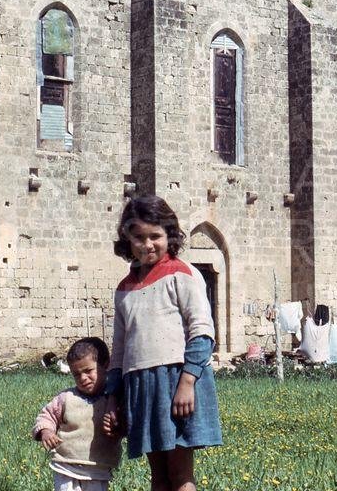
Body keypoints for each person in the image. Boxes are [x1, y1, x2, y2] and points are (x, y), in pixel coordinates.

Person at [104, 195, 222, 491]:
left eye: (155, 236)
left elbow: (202, 331)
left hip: (176, 382)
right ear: (126, 239)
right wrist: (113, 398)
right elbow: (119, 351)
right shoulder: (124, 289)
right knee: (158, 477)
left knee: (180, 476)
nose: (147, 245)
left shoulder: (182, 274)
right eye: (138, 237)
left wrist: (187, 381)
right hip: (141, 385)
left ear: (169, 236)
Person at [33, 337, 123, 491]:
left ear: (105, 365)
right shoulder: (66, 398)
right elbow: (47, 416)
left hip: (98, 469)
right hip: (65, 467)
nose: (83, 378)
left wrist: (119, 427)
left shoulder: (112, 401)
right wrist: (46, 431)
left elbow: (124, 424)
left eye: (88, 371)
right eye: (76, 374)